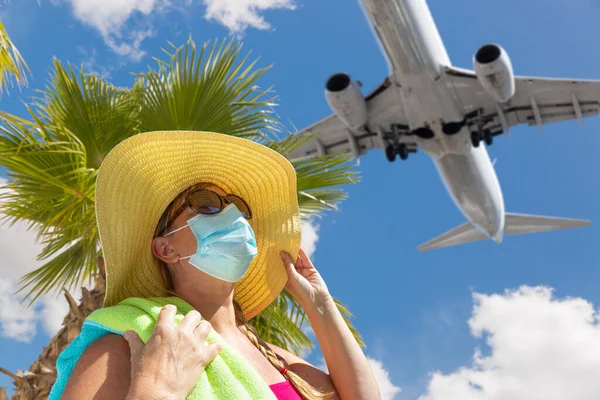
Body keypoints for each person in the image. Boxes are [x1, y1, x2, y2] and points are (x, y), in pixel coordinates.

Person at [52, 131, 380, 400]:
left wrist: (320, 304)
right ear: (166, 248)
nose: (234, 217)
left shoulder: (277, 359)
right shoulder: (132, 343)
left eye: (239, 207)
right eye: (208, 205)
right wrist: (157, 391)